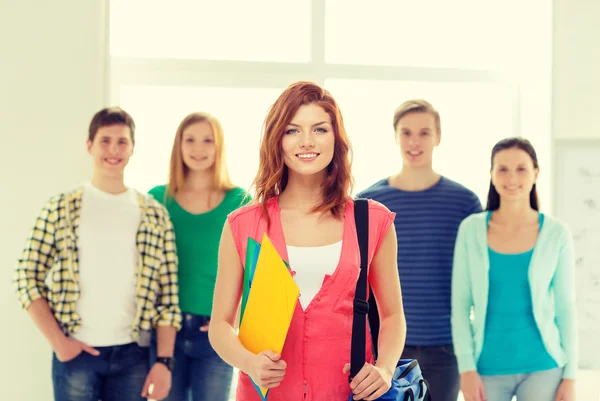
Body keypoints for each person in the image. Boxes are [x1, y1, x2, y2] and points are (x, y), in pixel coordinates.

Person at [208, 81, 406, 400]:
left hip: (345, 392)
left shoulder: (373, 221)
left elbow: (393, 315)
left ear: (336, 138)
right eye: (292, 130)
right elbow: (220, 325)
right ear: (277, 140)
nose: (307, 141)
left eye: (319, 129)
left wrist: (384, 368)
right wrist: (248, 362)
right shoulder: (242, 224)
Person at [12, 107, 181, 401]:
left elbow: (167, 296)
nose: (113, 150)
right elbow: (26, 275)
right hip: (77, 353)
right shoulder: (61, 207)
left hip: (134, 356)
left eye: (122, 141)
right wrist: (59, 342)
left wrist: (164, 362)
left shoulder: (155, 214)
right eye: (105, 140)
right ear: (89, 145)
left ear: (132, 148)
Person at [357, 99, 482, 401]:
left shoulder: (464, 203)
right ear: (395, 136)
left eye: (424, 133)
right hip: (383, 351)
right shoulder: (367, 203)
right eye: (406, 132)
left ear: (438, 137)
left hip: (444, 349)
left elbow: (478, 281)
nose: (414, 141)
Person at [452, 137, 577, 401]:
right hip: (486, 370)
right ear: (491, 175)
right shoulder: (471, 230)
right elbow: (461, 306)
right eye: (503, 169)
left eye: (521, 168)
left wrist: (571, 376)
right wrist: (466, 369)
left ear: (536, 173)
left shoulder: (556, 234)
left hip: (544, 367)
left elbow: (565, 307)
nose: (512, 177)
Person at [148, 112, 251, 401]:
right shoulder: (157, 199)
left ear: (219, 147)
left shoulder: (240, 202)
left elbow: (256, 268)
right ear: (178, 146)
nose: (198, 148)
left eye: (208, 140)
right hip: (166, 332)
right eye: (190, 140)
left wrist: (236, 317)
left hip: (215, 332)